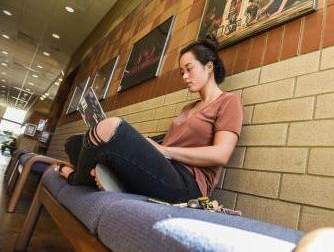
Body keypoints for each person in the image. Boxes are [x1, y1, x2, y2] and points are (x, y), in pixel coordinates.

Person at [57, 37, 244, 203]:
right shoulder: (188, 108)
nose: (185, 77)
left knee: (110, 126)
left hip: (188, 184)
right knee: (75, 142)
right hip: (162, 168)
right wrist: (142, 143)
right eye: (181, 72)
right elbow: (166, 142)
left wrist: (164, 151)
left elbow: (221, 154)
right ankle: (105, 177)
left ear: (209, 66)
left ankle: (78, 178)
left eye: (189, 69)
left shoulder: (228, 102)